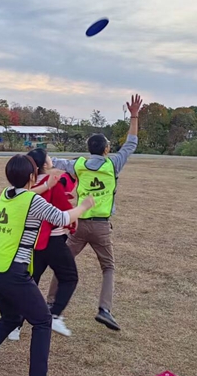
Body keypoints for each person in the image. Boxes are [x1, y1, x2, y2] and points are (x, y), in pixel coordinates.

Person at [0, 155, 95, 376]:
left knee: (11, 317)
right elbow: (63, 218)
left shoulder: (6, 194)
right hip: (12, 271)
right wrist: (84, 206)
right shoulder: (33, 200)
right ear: (32, 176)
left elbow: (32, 191)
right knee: (43, 321)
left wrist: (47, 185)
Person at [48, 94, 142, 331]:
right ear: (107, 149)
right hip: (100, 226)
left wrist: (38, 158)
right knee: (108, 267)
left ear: (89, 149)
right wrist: (134, 115)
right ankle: (104, 309)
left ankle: (50, 305)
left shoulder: (79, 164)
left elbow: (55, 162)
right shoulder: (114, 164)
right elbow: (131, 143)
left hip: (78, 224)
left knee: (64, 263)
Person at [7, 148, 79, 341]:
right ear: (43, 164)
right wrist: (75, 219)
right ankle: (55, 314)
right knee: (70, 276)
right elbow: (64, 212)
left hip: (32, 241)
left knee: (31, 282)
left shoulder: (23, 187)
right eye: (48, 156)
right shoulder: (52, 184)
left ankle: (15, 325)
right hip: (52, 240)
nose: (50, 158)